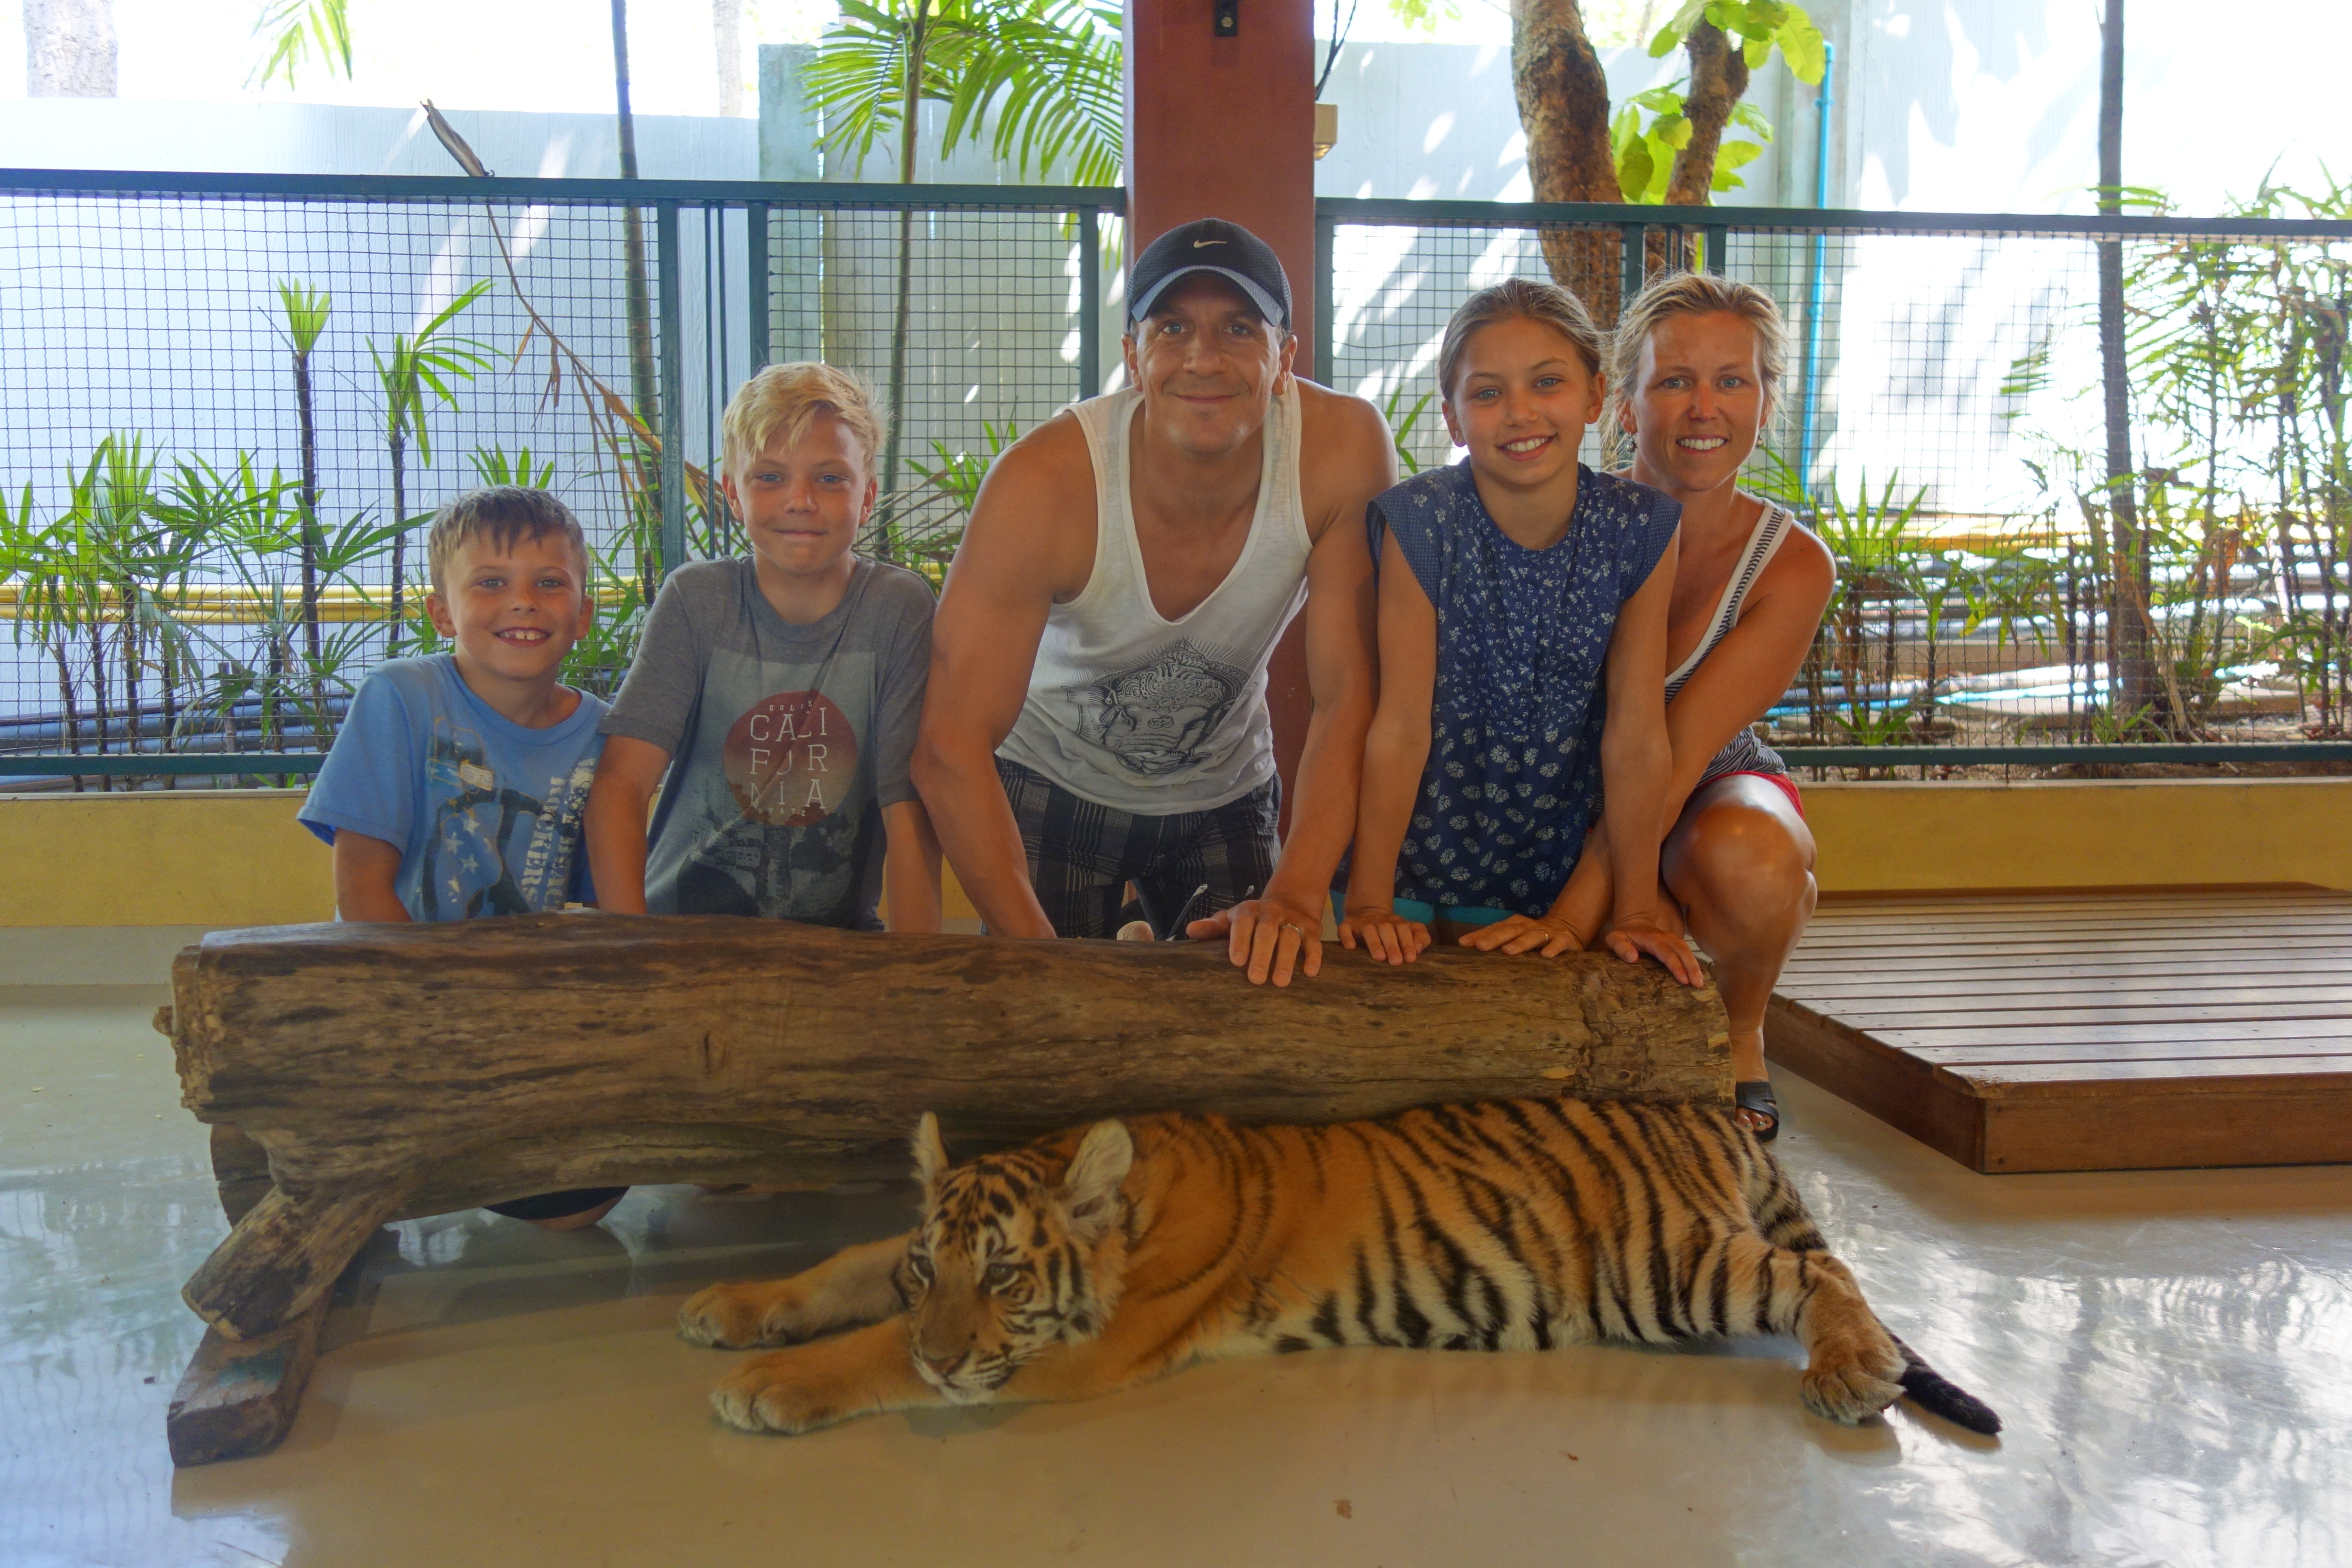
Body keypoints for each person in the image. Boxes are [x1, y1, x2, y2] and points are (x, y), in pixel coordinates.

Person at [913, 217, 1394, 986]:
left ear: (1285, 359)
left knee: (1248, 1027)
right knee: (1053, 1049)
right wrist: (1041, 968)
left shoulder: (1341, 449)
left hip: (1224, 787)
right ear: (1133, 357)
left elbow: (1349, 697)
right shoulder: (1045, 485)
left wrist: (1299, 897)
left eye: (1240, 328)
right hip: (1051, 776)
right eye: (1173, 328)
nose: (1204, 357)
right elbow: (948, 741)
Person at [1521, 272, 1837, 1140]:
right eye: (1674, 381)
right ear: (1623, 406)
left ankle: (1740, 1033)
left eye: (1733, 380)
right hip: (1562, 780)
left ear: (1766, 401)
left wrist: (1585, 912)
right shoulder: (1558, 520)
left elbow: (1679, 748)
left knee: (1754, 862)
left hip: (1698, 776)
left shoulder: (1792, 564)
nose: (1705, 407)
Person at [1338, 278, 1703, 992]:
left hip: (1554, 859)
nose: (1520, 413)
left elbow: (1635, 731)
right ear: (1452, 418)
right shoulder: (1421, 522)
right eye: (1487, 393)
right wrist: (1370, 900)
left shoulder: (1641, 527)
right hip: (1417, 853)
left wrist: (1632, 908)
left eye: (1547, 383)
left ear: (1596, 397)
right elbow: (1401, 725)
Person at [297, 485, 625, 1230]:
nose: (524, 602)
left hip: (522, 1011)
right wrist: (439, 1012)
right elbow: (361, 886)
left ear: (584, 611)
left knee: (579, 1210)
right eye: (490, 583)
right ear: (442, 612)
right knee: (355, 1201)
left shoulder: (606, 737)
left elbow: (609, 908)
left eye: (550, 583)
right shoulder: (401, 699)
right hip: (400, 995)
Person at [585, 362, 941, 935]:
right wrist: (634, 948)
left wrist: (913, 977)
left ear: (868, 496)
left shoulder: (897, 608)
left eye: (830, 479)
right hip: (679, 931)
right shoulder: (697, 601)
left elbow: (908, 811)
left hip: (838, 943)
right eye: (770, 477)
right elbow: (622, 784)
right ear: (732, 493)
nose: (800, 500)